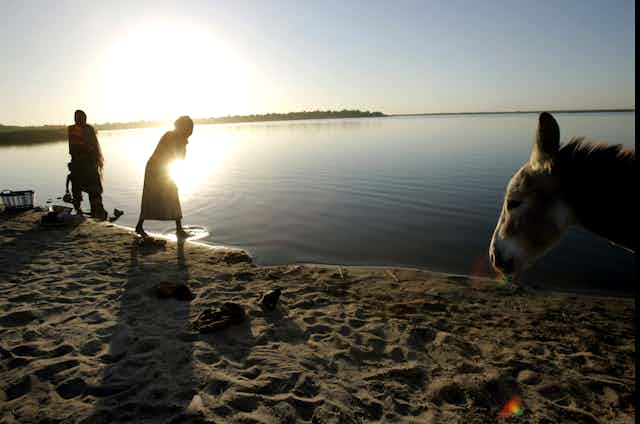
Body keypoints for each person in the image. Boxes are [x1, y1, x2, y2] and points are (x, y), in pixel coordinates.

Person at [135, 116, 193, 239]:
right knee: (155, 196)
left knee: (169, 194)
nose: (190, 131)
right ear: (183, 127)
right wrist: (184, 144)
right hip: (156, 168)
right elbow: (180, 157)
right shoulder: (171, 136)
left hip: (162, 168)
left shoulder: (175, 136)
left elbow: (178, 158)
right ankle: (178, 229)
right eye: (189, 128)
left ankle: (140, 226)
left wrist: (184, 143)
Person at [67, 110, 107, 219]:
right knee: (78, 188)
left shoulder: (88, 129)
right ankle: (79, 209)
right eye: (77, 117)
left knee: (93, 189)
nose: (78, 119)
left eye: (80, 117)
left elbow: (93, 146)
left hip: (88, 163)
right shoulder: (72, 129)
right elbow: (72, 148)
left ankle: (97, 210)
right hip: (80, 163)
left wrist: (89, 154)